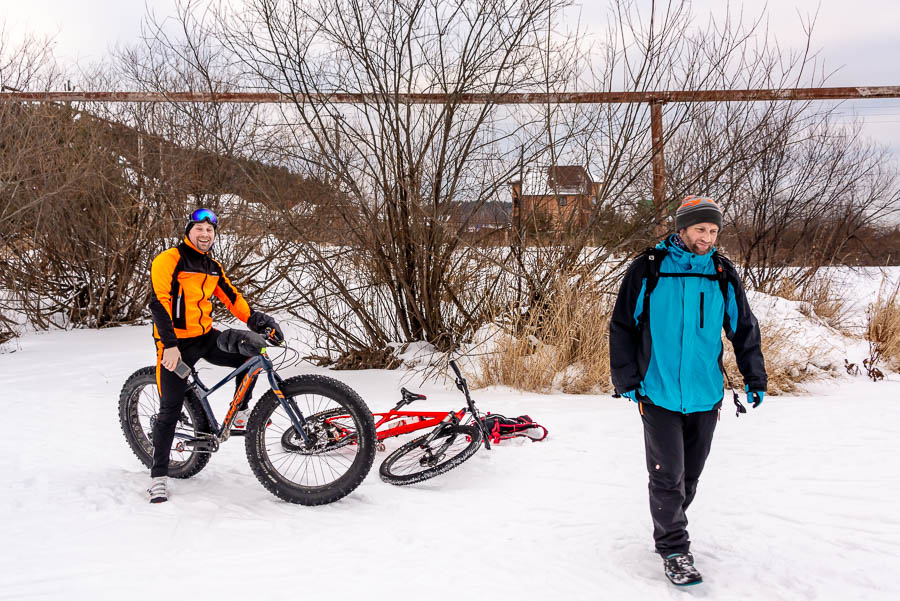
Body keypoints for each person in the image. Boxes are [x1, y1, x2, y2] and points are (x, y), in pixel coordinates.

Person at [608, 196, 767, 586]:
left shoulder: (720, 273)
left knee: (688, 477)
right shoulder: (649, 269)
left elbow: (743, 328)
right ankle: (675, 549)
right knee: (668, 474)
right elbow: (622, 326)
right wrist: (626, 380)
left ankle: (671, 523)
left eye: (713, 231)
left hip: (704, 393)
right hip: (657, 391)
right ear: (681, 229)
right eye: (700, 229)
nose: (706, 238)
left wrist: (755, 376)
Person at [147, 208, 284, 504]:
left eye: (210, 230)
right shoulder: (169, 260)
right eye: (199, 228)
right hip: (174, 344)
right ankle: (158, 476)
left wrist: (260, 322)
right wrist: (169, 347)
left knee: (249, 355)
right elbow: (158, 304)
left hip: (204, 336)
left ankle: (239, 414)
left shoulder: (212, 266)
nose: (205, 234)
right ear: (188, 231)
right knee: (169, 409)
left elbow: (232, 298)